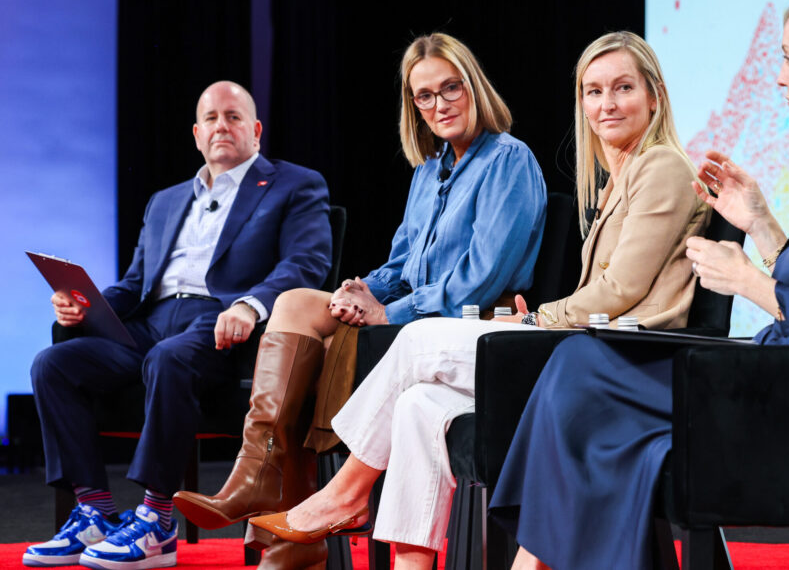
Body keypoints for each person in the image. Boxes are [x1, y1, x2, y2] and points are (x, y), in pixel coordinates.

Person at [488, 0, 789, 570]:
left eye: (788, 58)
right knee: (598, 409)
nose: (778, 77)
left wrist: (747, 280)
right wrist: (760, 223)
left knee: (580, 369)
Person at [243, 30, 710, 570]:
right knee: (417, 404)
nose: (606, 105)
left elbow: (620, 291)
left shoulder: (661, 167)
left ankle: (345, 493)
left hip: (610, 362)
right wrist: (368, 289)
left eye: (622, 88)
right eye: (593, 91)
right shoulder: (617, 177)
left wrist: (538, 315)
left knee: (416, 339)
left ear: (654, 94)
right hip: (581, 346)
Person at [173, 33, 547, 569]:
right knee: (301, 302)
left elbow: (482, 278)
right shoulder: (429, 169)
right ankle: (260, 472)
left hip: (454, 331)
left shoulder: (508, 160)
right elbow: (400, 264)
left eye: (450, 89)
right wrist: (363, 291)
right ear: (412, 105)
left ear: (474, 87)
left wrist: (389, 312)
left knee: (309, 340)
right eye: (424, 96)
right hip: (405, 322)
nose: (438, 106)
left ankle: (293, 509)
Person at [24, 81, 333, 569]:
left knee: (168, 358)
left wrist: (251, 306)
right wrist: (85, 304)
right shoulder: (165, 201)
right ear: (196, 133)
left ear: (255, 131)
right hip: (149, 328)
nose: (221, 126)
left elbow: (306, 263)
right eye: (210, 118)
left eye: (233, 117)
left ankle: (156, 520)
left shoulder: (294, 185)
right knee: (53, 364)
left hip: (223, 326)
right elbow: (135, 283)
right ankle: (94, 512)